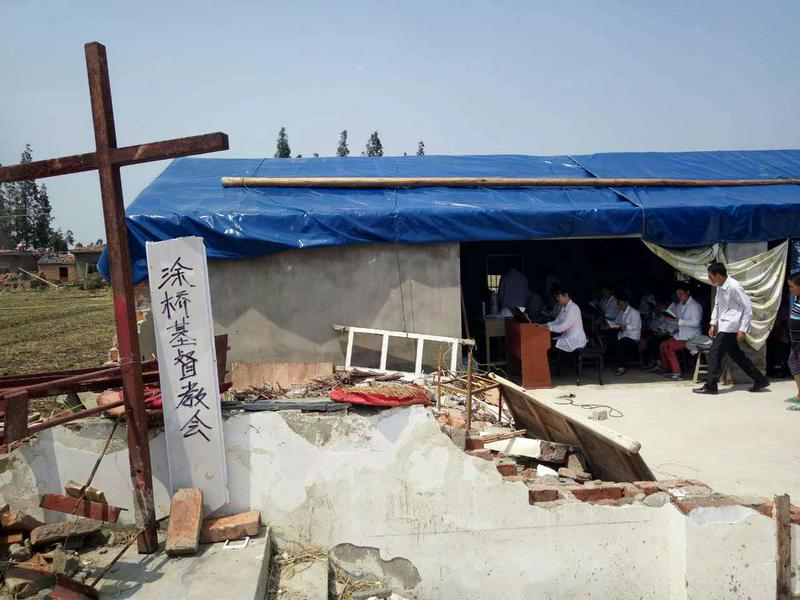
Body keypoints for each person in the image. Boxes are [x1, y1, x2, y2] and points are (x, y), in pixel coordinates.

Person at [694, 262, 769, 395]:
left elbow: (748, 307)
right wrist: (713, 324)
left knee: (714, 353)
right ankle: (760, 379)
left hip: (731, 326)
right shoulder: (719, 286)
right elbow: (717, 305)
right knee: (738, 356)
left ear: (718, 275)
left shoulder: (734, 287)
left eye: (710, 276)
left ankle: (711, 386)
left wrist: (742, 328)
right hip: (723, 325)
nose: (710, 278)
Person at [657, 284, 703, 380]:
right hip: (682, 335)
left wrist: (679, 321)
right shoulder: (681, 305)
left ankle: (677, 373)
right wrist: (670, 319)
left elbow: (696, 323)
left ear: (687, 292)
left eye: (681, 293)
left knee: (669, 347)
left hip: (692, 337)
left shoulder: (694, 305)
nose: (679, 296)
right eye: (677, 294)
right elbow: (677, 319)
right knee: (663, 345)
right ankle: (668, 369)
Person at [539, 288, 587, 353]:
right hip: (567, 337)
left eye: (559, 296)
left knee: (547, 342)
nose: (557, 299)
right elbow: (557, 321)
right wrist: (544, 325)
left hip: (575, 340)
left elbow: (563, 326)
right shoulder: (564, 307)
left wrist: (548, 328)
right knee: (547, 341)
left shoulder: (573, 308)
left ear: (566, 295)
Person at [606, 294, 641, 375]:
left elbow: (636, 326)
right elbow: (616, 323)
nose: (619, 306)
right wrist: (610, 325)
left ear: (627, 303)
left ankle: (622, 367)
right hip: (623, 335)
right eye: (618, 304)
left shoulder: (634, 312)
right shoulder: (620, 312)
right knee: (610, 336)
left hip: (633, 337)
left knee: (621, 343)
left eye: (621, 304)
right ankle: (614, 360)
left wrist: (625, 326)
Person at [786, 273, 800, 410]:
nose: (790, 289)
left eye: (792, 286)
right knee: (793, 364)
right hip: (796, 342)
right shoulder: (797, 299)